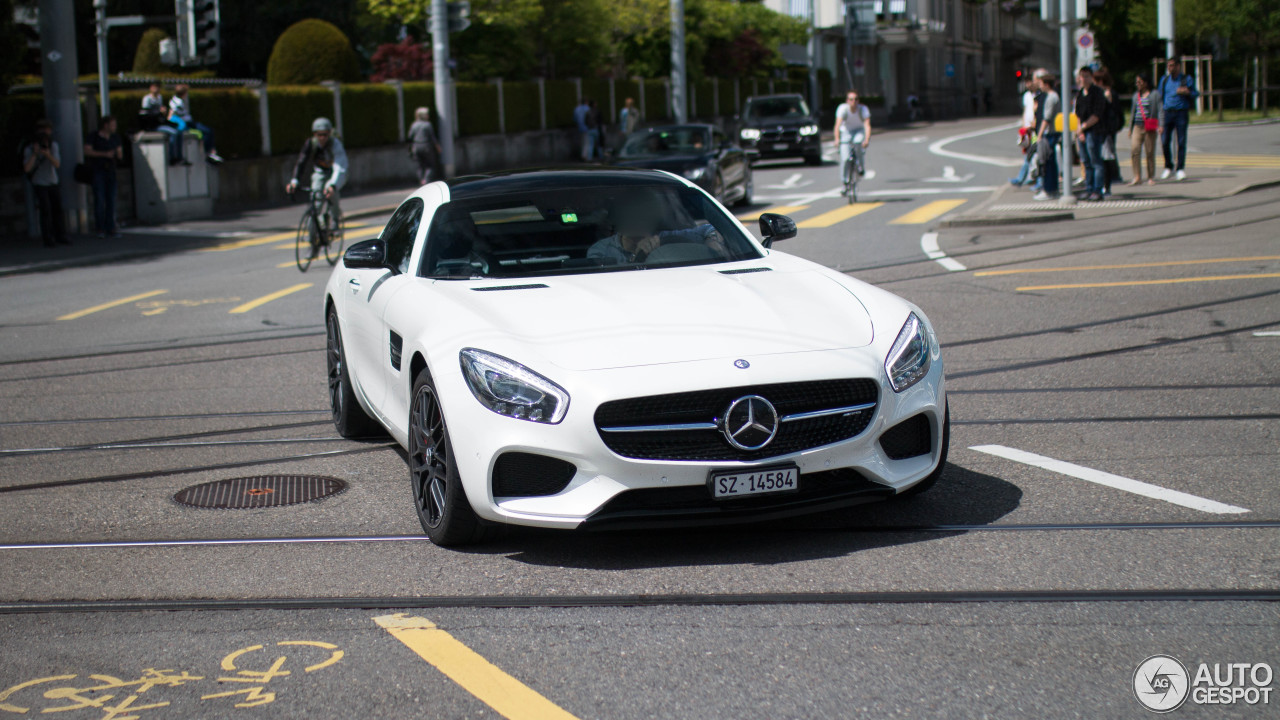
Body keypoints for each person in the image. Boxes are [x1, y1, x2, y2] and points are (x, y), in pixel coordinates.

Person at [286, 117, 348, 257]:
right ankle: (314, 244)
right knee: (315, 205)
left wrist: (333, 184)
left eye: (325, 134)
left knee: (332, 194)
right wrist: (294, 181)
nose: (322, 138)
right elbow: (301, 162)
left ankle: (335, 221)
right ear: (314, 134)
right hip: (320, 173)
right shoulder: (311, 144)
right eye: (319, 135)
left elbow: (340, 166)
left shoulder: (335, 144)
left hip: (334, 173)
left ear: (329, 134)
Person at [22, 119, 69, 247]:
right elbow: (27, 168)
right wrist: (35, 154)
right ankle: (47, 238)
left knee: (57, 210)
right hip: (39, 183)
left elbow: (57, 164)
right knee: (45, 210)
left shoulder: (53, 145)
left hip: (53, 181)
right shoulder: (30, 148)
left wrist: (48, 155)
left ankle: (60, 235)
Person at [1158, 57, 1199, 181]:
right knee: (1165, 141)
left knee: (1181, 141)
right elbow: (1160, 96)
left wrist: (1187, 92)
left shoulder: (1186, 79)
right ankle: (1168, 166)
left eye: (1172, 65)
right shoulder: (1164, 80)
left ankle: (1180, 168)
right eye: (1168, 66)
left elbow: (1196, 93)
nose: (1170, 68)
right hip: (1167, 113)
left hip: (1181, 112)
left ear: (1178, 66)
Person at [84, 115, 122, 239]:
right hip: (98, 170)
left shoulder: (115, 138)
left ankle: (111, 227)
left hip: (111, 171)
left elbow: (120, 155)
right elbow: (87, 151)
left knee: (111, 200)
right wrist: (104, 154)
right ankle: (100, 227)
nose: (114, 127)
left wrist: (117, 152)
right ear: (105, 125)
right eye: (112, 124)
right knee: (99, 200)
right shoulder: (94, 136)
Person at [1073, 66, 1108, 202]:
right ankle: (1089, 189)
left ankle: (1097, 190)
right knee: (1086, 162)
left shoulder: (1097, 93)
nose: (1084, 79)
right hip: (1082, 132)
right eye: (1082, 76)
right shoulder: (1080, 94)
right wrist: (1078, 130)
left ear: (1091, 77)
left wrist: (1082, 128)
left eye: (1087, 76)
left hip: (1094, 131)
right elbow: (1077, 114)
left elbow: (1097, 115)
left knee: (1095, 161)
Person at [168, 84, 223, 165]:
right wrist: (169, 119)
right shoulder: (176, 102)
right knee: (206, 131)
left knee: (209, 131)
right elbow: (172, 112)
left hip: (189, 121)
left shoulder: (183, 99)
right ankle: (208, 153)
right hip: (186, 123)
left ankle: (211, 152)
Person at [834, 89, 871, 195]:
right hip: (846, 132)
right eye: (851, 99)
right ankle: (845, 183)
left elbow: (867, 125)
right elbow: (837, 125)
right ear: (847, 101)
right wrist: (837, 139)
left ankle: (860, 167)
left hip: (859, 131)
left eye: (855, 99)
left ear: (858, 101)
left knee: (858, 143)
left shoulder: (863, 109)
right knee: (845, 158)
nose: (853, 102)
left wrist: (867, 139)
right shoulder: (842, 109)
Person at [1093, 67, 1124, 196]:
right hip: (1106, 130)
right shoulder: (1105, 93)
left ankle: (1107, 184)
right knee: (1105, 156)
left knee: (1105, 157)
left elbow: (1109, 112)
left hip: (1106, 131)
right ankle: (1107, 182)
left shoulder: (1107, 94)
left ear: (1100, 81)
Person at [1129, 74, 1162, 186]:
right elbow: (1133, 112)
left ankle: (1150, 177)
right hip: (1137, 126)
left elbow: (1160, 110)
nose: (1137, 84)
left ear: (1146, 83)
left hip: (1149, 127)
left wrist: (1161, 125)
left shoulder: (1155, 95)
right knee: (1135, 150)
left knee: (1149, 152)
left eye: (1139, 82)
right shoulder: (1135, 96)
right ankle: (1137, 176)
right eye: (1136, 82)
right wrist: (1130, 128)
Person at [1032, 73, 1061, 201]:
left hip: (1049, 133)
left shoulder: (1051, 97)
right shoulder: (1054, 96)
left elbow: (1047, 118)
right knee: (1051, 161)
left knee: (1047, 162)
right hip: (1053, 132)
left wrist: (1039, 135)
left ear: (1046, 84)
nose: (1040, 86)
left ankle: (1048, 189)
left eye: (1041, 83)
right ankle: (1052, 189)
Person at [140, 84, 185, 165]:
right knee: (173, 133)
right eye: (154, 87)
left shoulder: (159, 98)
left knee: (179, 131)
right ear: (151, 88)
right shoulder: (147, 99)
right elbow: (146, 116)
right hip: (152, 126)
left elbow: (160, 115)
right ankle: (172, 158)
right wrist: (159, 112)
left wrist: (163, 113)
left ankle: (180, 157)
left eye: (157, 87)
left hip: (160, 122)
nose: (156, 89)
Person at [407, 107, 441, 185]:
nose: (427, 116)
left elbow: (410, 136)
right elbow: (432, 137)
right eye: (426, 114)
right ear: (423, 116)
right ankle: (426, 180)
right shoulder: (428, 125)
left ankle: (421, 180)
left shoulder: (414, 125)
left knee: (420, 166)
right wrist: (437, 146)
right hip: (426, 147)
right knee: (430, 165)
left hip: (416, 147)